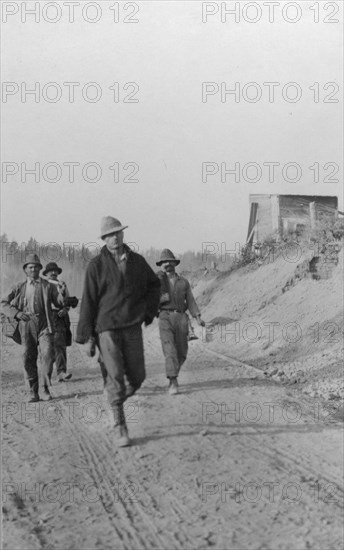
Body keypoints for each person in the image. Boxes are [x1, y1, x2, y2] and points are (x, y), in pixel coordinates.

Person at [76, 217, 160, 447]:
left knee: (138, 377)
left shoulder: (137, 262)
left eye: (118, 233)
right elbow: (89, 301)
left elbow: (154, 285)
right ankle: (120, 424)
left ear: (123, 235)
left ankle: (114, 400)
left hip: (132, 325)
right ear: (103, 239)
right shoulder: (96, 266)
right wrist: (85, 337)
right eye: (110, 235)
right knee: (115, 376)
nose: (115, 237)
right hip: (107, 328)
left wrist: (148, 312)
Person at [1, 254, 66, 402]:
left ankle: (44, 389)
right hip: (26, 324)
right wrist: (17, 313)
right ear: (25, 270)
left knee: (48, 354)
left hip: (45, 324)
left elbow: (59, 302)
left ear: (40, 269)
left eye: (36, 267)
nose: (33, 269)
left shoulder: (48, 285)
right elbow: (3, 303)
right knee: (28, 356)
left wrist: (61, 293)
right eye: (30, 267)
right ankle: (32, 391)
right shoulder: (19, 286)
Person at [156, 249, 205, 395]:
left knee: (182, 351)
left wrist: (197, 316)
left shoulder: (183, 282)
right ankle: (173, 380)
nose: (167, 264)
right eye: (164, 262)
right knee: (169, 349)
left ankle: (173, 371)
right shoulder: (157, 281)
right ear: (161, 265)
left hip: (181, 318)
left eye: (170, 261)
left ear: (174, 263)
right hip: (165, 317)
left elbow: (190, 300)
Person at [42, 262, 77, 382]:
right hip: (46, 317)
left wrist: (65, 309)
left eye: (55, 271)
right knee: (47, 346)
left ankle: (61, 372)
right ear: (46, 273)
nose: (53, 273)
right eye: (50, 271)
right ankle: (46, 374)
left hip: (59, 317)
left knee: (60, 345)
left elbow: (68, 300)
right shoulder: (42, 285)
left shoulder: (62, 285)